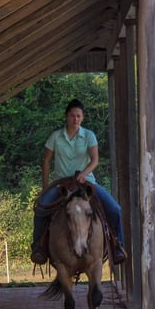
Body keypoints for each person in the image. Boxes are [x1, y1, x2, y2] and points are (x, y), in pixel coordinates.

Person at [30, 98, 126, 265]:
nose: (75, 119)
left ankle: (117, 245)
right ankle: (39, 247)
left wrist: (84, 173)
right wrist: (45, 186)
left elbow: (95, 159)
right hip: (61, 183)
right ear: (66, 116)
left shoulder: (88, 135)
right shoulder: (55, 136)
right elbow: (46, 160)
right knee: (40, 208)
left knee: (115, 209)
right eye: (73, 115)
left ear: (82, 118)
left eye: (79, 116)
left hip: (85, 181)